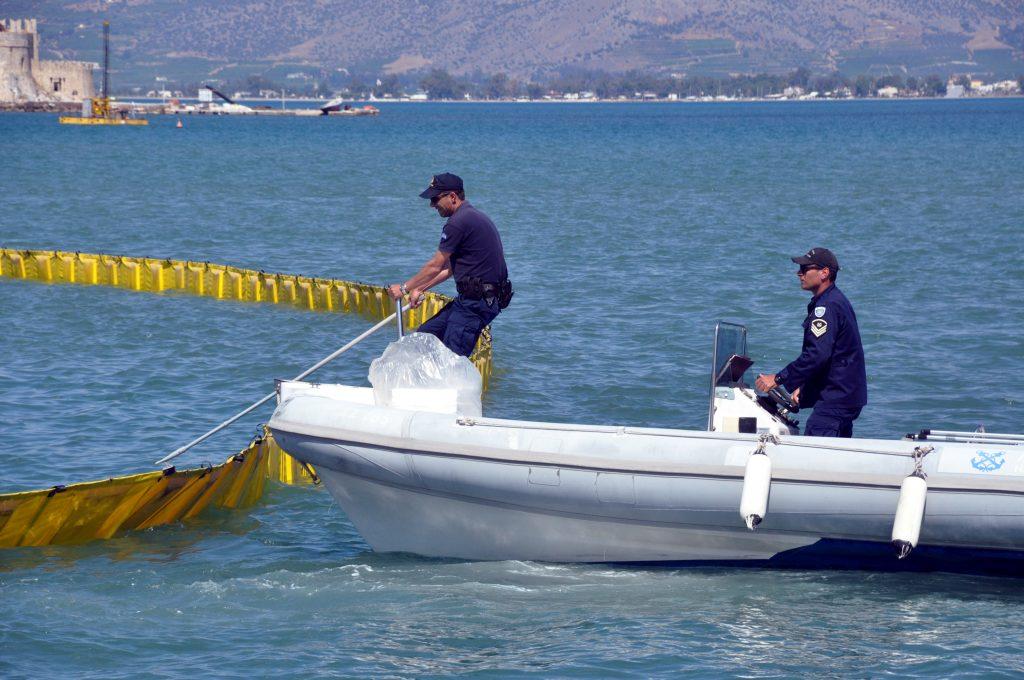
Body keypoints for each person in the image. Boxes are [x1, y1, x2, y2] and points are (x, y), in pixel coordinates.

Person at [388, 173, 512, 357]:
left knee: (450, 358)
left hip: (476, 303)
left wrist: (404, 288)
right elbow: (449, 269)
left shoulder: (458, 222)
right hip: (475, 300)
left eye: (435, 198)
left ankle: (448, 384)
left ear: (452, 197)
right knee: (425, 336)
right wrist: (422, 288)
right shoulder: (471, 217)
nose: (432, 205)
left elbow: (435, 266)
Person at [755, 247, 867, 438]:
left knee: (816, 449)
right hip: (845, 396)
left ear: (824, 273)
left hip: (836, 399)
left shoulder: (826, 307)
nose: (799, 273)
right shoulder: (836, 300)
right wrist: (806, 388)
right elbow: (834, 356)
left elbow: (817, 355)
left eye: (805, 268)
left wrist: (778, 378)